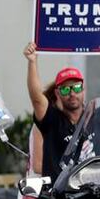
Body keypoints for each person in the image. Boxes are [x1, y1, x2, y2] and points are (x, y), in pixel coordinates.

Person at [24, 43, 87, 181]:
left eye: (76, 87)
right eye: (65, 89)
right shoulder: (53, 120)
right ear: (57, 93)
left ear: (84, 89)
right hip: (61, 196)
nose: (72, 93)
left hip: (92, 193)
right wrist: (32, 62)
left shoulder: (93, 116)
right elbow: (37, 100)